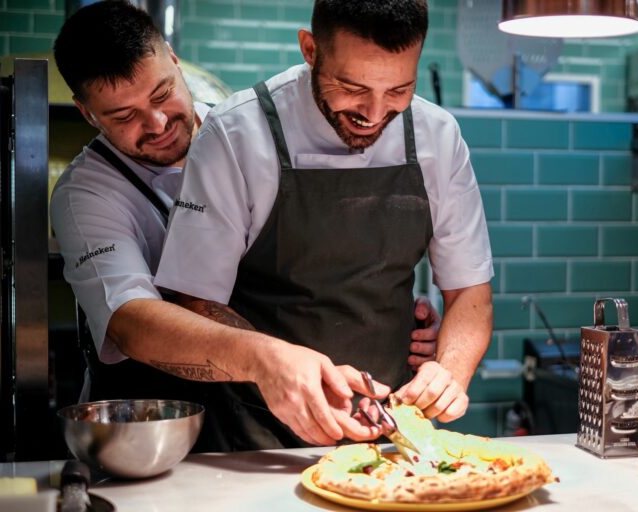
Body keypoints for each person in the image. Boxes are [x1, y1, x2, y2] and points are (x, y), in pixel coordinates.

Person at [50, 0, 440, 451]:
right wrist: (269, 359)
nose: (156, 123)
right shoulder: (86, 195)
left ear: (175, 62)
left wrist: (391, 312)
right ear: (86, 113)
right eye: (124, 116)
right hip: (150, 431)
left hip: (247, 419)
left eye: (162, 94)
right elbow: (128, 321)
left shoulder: (236, 126)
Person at [154, 0, 494, 449]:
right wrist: (274, 364)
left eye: (398, 91)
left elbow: (470, 292)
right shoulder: (236, 135)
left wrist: (447, 372)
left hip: (386, 430)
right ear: (310, 49)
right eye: (352, 87)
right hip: (254, 434)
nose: (373, 114)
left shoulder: (439, 137)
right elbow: (191, 304)